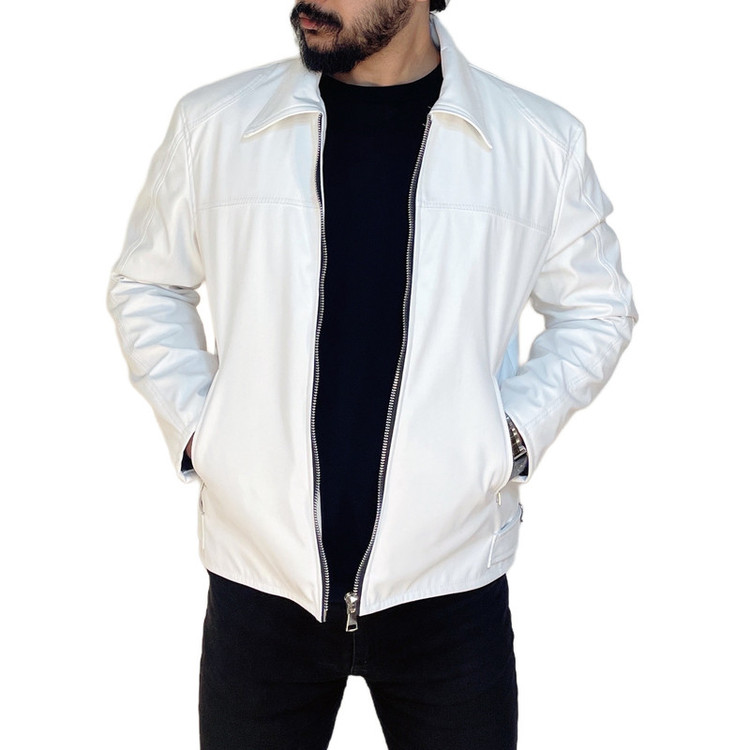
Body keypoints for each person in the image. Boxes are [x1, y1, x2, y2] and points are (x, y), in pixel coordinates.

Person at [107, 1, 637, 747]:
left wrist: (510, 439)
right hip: (261, 586)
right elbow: (148, 285)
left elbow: (598, 310)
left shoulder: (536, 141)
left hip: (451, 588)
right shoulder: (217, 124)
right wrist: (203, 432)